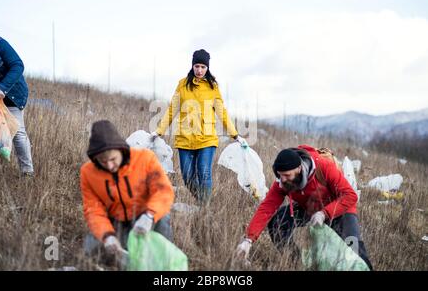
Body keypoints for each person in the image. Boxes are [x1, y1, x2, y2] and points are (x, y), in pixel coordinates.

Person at [235, 144, 373, 270]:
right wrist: (248, 240)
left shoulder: (324, 167)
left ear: (299, 169)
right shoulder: (283, 182)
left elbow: (350, 196)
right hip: (310, 208)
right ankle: (296, 263)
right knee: (277, 222)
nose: (283, 180)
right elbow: (266, 208)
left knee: (354, 250)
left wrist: (324, 213)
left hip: (339, 208)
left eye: (287, 175)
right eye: (280, 175)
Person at [152, 49, 248, 204]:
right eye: (197, 66)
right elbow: (172, 109)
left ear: (207, 68)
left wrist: (235, 134)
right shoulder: (182, 85)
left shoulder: (212, 86)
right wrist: (159, 131)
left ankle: (205, 207)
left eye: (203, 67)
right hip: (185, 138)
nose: (200, 70)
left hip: (207, 138)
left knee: (204, 173)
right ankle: (202, 201)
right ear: (192, 66)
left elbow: (222, 112)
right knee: (188, 178)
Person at [81, 120, 175, 265]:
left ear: (121, 150)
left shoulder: (145, 159)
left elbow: (163, 191)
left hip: (145, 217)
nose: (110, 166)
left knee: (163, 218)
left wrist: (150, 216)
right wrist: (107, 235)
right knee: (90, 250)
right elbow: (93, 210)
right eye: (103, 161)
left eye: (113, 159)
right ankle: (120, 253)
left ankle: (162, 260)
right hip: (115, 220)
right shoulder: (88, 173)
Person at [0, 26, 34, 176]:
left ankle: (27, 173)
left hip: (11, 95)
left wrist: (2, 87)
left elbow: (18, 65)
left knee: (18, 132)